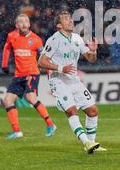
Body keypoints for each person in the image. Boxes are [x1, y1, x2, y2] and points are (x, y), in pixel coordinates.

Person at [38, 10, 105, 154]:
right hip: (58, 80)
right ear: (59, 26)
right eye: (66, 19)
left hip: (74, 80)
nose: (70, 21)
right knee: (71, 110)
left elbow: (91, 59)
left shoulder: (77, 38)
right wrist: (61, 68)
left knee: (93, 111)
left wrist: (93, 51)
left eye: (70, 19)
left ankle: (92, 143)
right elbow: (41, 61)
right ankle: (85, 142)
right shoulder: (54, 40)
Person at [1, 14, 56, 139]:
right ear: (16, 25)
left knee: (30, 98)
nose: (24, 24)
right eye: (20, 22)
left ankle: (50, 124)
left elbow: (43, 58)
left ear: (29, 24)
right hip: (18, 75)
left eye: (26, 21)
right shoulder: (12, 36)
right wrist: (4, 64)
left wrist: (49, 72)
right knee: (7, 100)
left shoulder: (36, 40)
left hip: (32, 73)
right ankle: (17, 131)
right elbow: (6, 48)